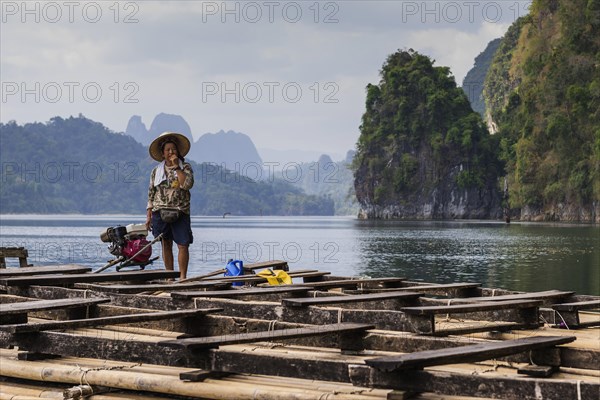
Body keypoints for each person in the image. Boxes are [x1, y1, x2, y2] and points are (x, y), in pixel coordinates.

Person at [146, 132, 194, 279]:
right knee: (165, 243)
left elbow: (187, 185)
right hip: (160, 211)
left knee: (183, 244)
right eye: (168, 150)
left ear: (178, 152)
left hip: (180, 211)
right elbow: (151, 193)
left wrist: (176, 168)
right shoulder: (156, 171)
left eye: (173, 149)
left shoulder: (185, 167)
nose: (171, 152)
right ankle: (169, 277)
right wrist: (149, 215)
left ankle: (183, 277)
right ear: (162, 154)